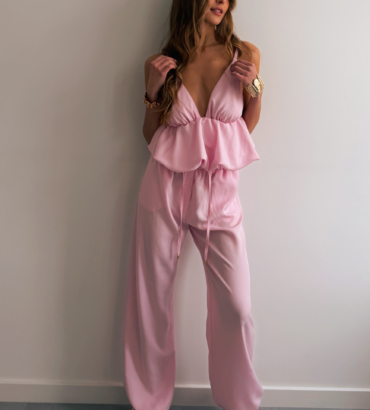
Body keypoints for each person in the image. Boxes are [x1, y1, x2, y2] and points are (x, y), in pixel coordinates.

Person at [122, 1, 265, 409]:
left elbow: (245, 127)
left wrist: (255, 87)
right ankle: (149, 402)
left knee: (237, 307)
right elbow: (152, 137)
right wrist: (152, 90)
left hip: (219, 194)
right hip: (163, 187)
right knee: (151, 300)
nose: (221, 1)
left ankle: (237, 402)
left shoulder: (245, 54)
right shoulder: (160, 62)